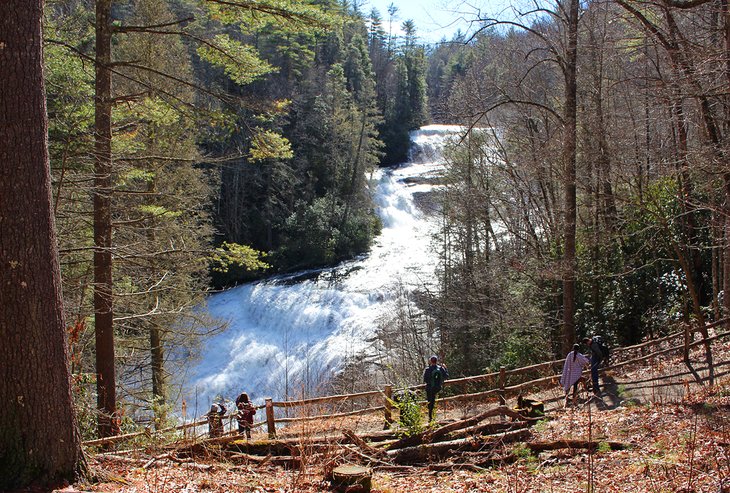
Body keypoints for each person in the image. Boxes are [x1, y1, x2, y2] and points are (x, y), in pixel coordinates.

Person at [560, 343, 591, 407]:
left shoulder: (570, 355)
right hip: (577, 374)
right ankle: (574, 398)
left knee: (569, 385)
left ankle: (567, 397)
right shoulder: (579, 355)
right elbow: (586, 361)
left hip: (570, 373)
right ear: (578, 349)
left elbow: (567, 363)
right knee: (575, 386)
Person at [422, 355, 449, 423]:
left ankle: (430, 416)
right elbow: (446, 376)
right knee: (433, 400)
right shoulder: (440, 368)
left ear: (430, 361)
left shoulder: (428, 369)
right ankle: (432, 416)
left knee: (430, 402)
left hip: (429, 388)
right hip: (437, 388)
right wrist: (445, 368)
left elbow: (425, 380)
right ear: (436, 361)